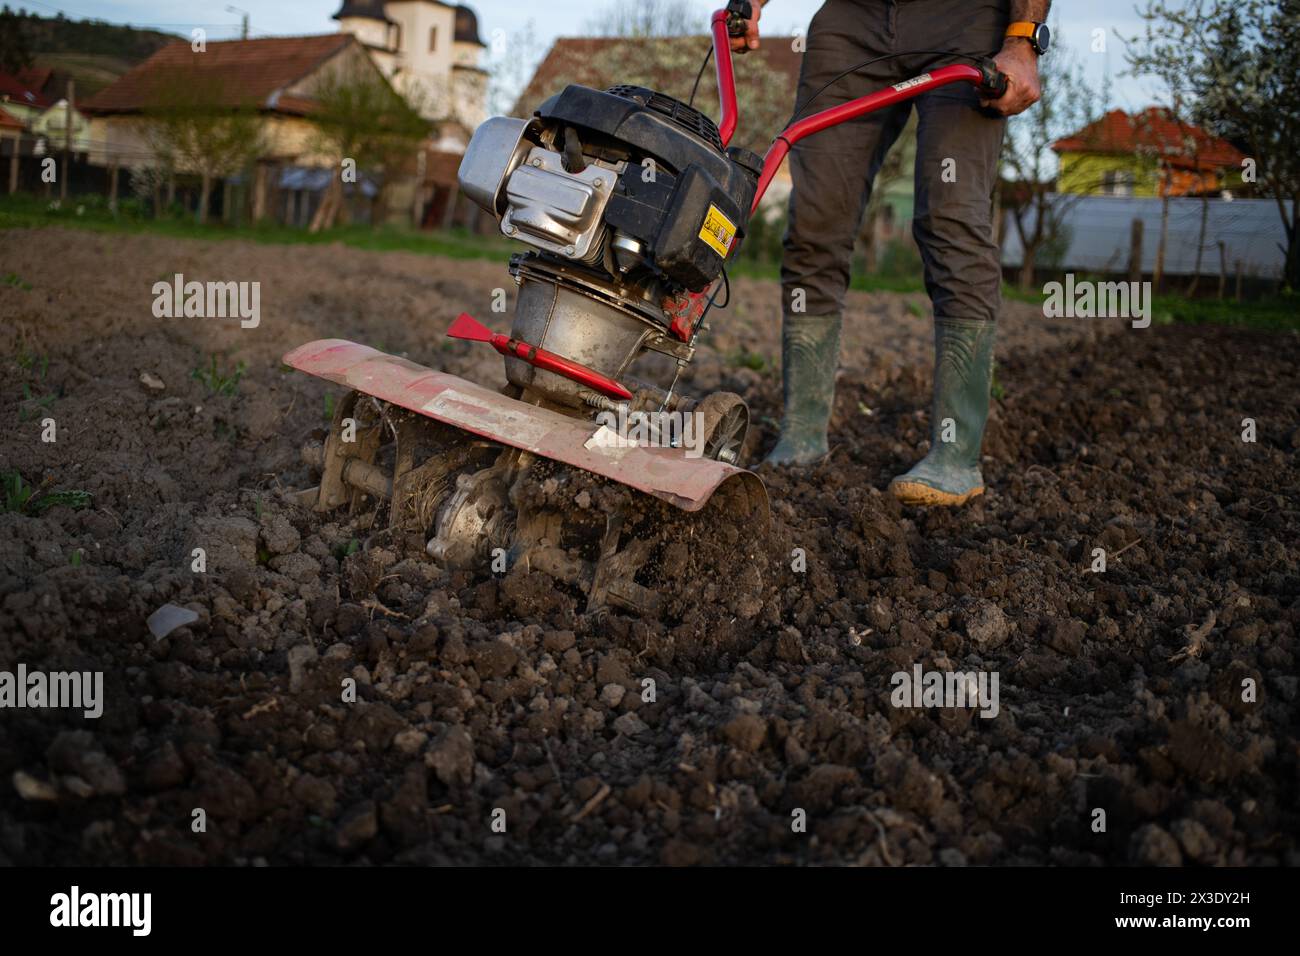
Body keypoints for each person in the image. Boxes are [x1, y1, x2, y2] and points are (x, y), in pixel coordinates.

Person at [733, 0, 1049, 506]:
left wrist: (1022, 41)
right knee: (816, 222)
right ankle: (801, 435)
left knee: (951, 218)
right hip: (853, 20)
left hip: (966, 21)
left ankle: (955, 454)